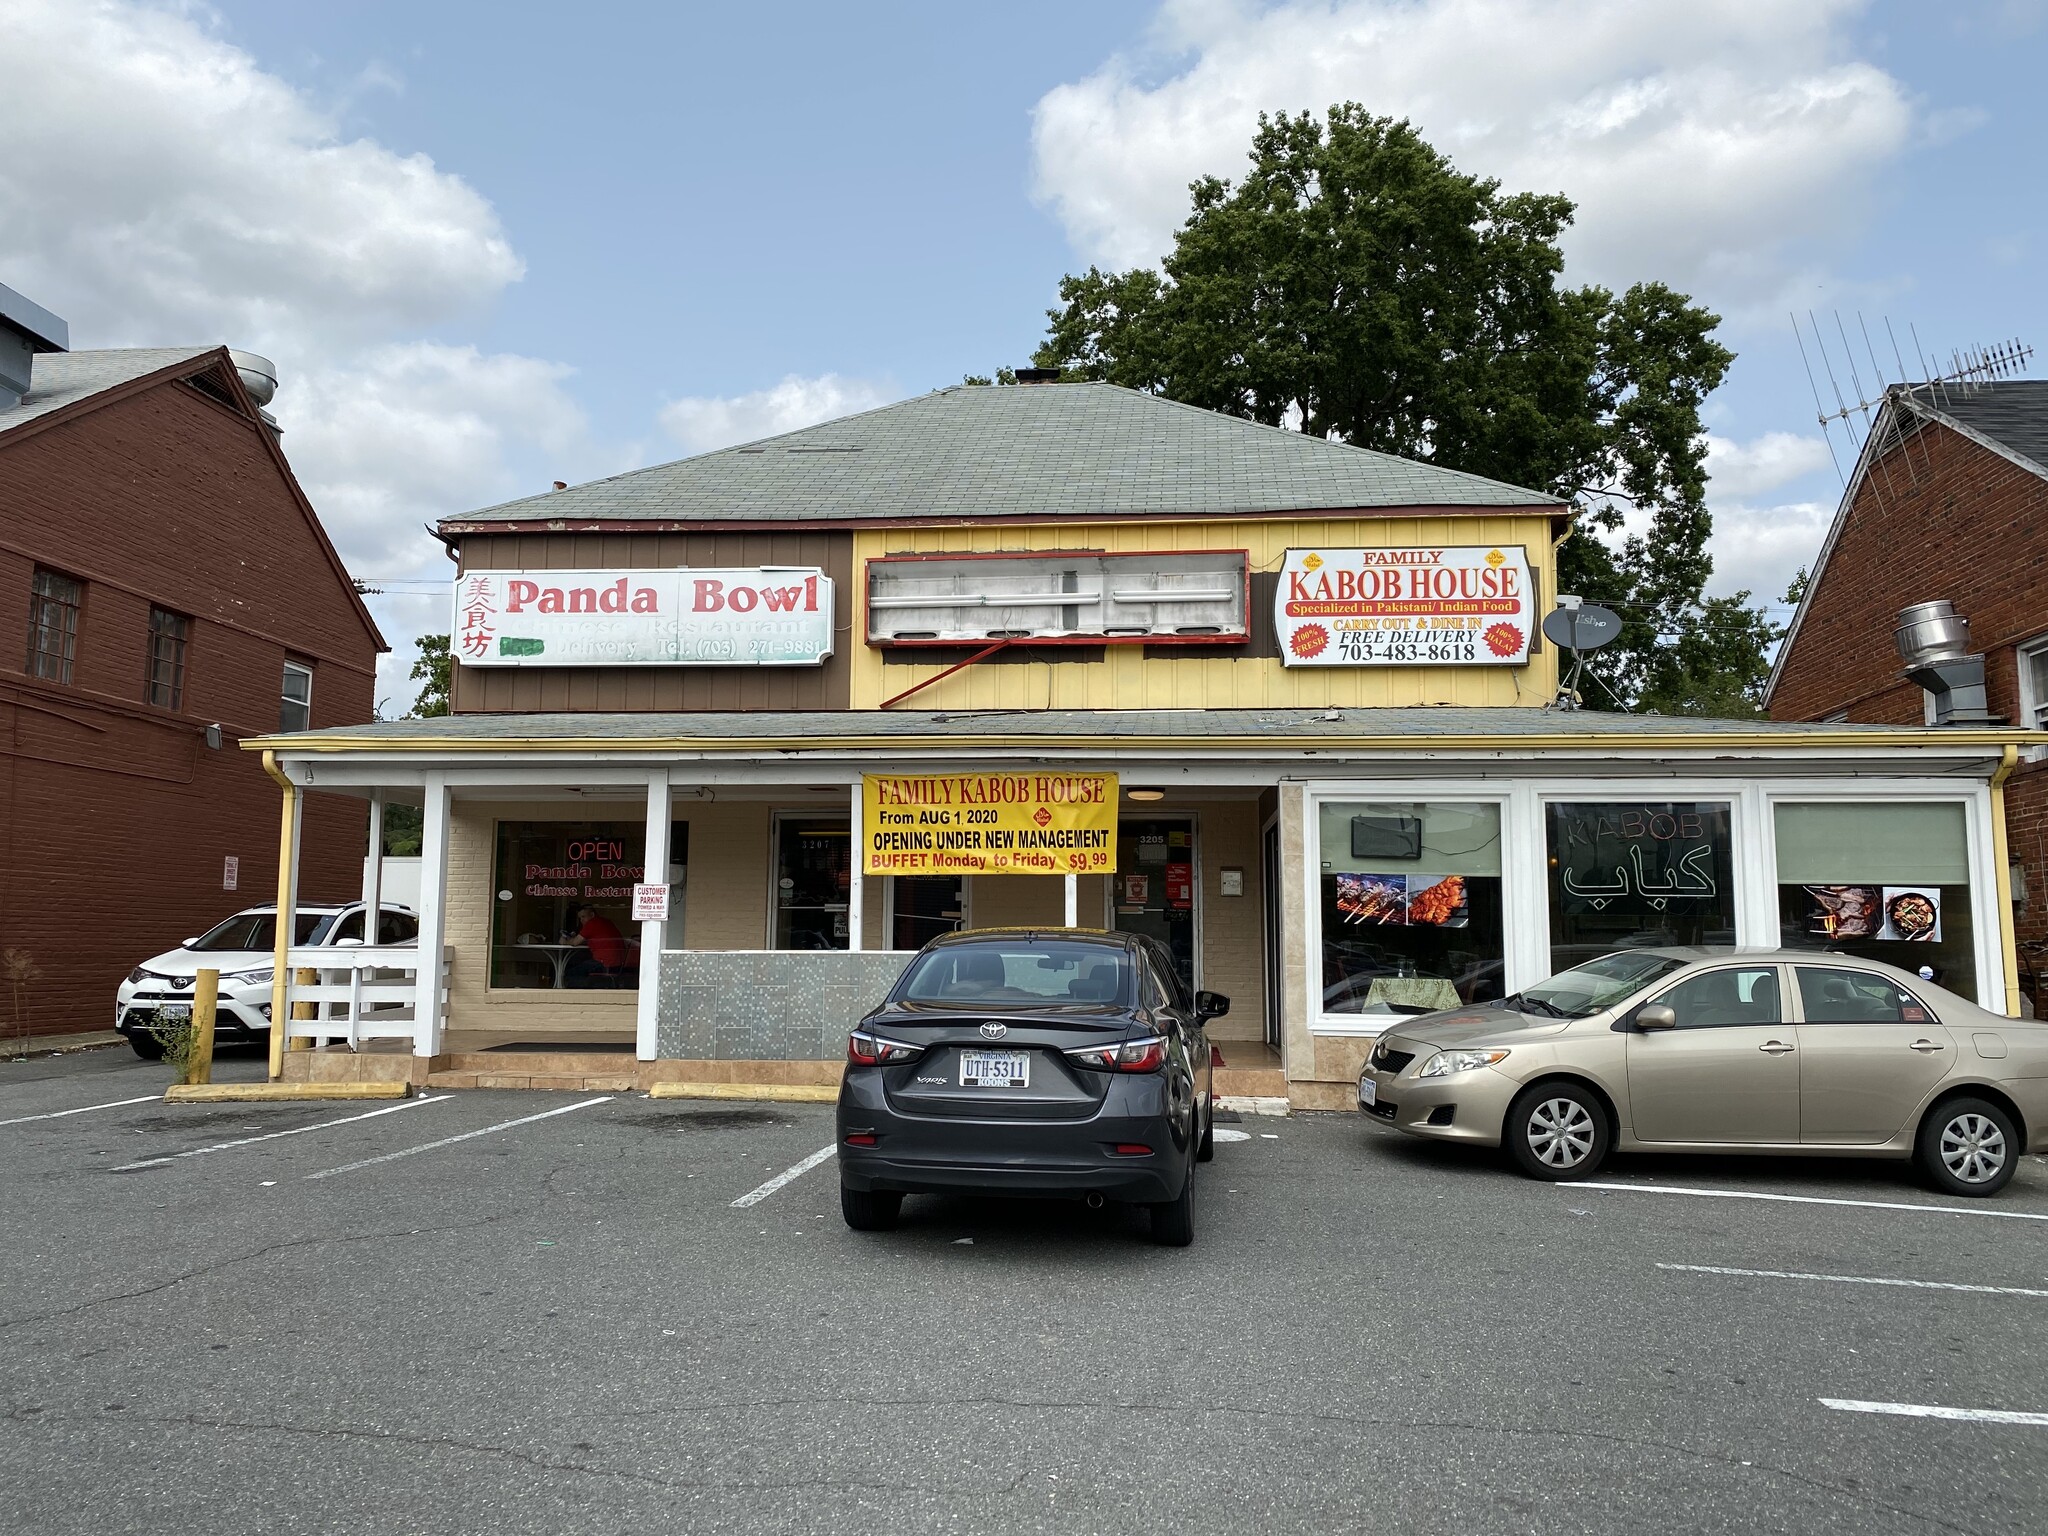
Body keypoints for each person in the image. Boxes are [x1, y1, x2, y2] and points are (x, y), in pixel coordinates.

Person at [564, 904, 629, 987]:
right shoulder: (606, 922)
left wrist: (565, 941)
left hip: (604, 963)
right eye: (580, 918)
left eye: (583, 917)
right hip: (618, 964)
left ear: (592, 915)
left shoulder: (591, 923)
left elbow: (575, 942)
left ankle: (575, 995)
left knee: (571, 972)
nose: (581, 920)